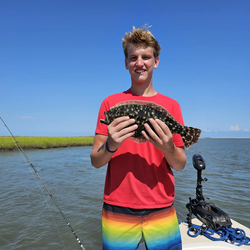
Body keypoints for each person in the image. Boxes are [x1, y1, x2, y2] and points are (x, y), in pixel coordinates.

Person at [90, 26, 187, 250]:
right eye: (133, 57)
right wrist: (111, 145)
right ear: (126, 63)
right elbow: (96, 161)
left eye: (146, 57)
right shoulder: (109, 103)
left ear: (156, 61)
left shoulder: (173, 106)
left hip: (162, 206)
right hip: (117, 206)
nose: (140, 63)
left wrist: (168, 147)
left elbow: (180, 164)